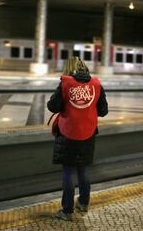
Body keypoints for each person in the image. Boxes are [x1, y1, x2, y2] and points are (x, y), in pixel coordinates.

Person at [47, 57, 108, 221]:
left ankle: (66, 211)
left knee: (68, 172)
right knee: (84, 170)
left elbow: (52, 107)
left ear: (68, 68)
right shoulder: (96, 84)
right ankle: (83, 203)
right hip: (88, 134)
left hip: (68, 134)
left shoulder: (65, 83)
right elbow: (103, 111)